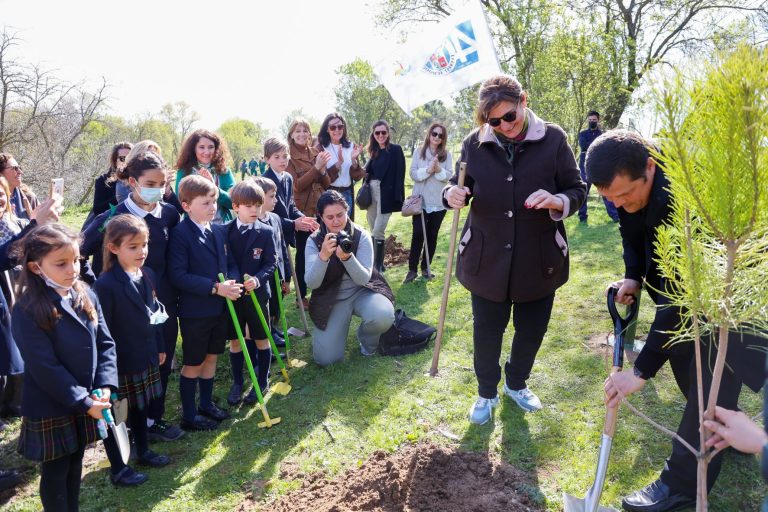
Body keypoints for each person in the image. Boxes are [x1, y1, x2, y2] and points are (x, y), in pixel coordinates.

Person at [591, 130, 766, 512]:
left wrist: (640, 371)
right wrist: (634, 276)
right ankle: (728, 433)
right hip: (689, 302)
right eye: (610, 198)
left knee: (709, 378)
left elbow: (680, 298)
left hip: (733, 299)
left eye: (624, 195)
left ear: (650, 167)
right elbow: (631, 233)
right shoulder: (627, 190)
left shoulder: (688, 199)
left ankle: (681, 485)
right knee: (685, 361)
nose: (619, 205)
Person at [443, 74, 586, 424]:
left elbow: (577, 189)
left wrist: (558, 200)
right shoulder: (473, 143)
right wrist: (451, 194)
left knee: (532, 329)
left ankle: (517, 383)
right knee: (486, 331)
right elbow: (457, 184)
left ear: (523, 100)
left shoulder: (554, 139)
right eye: (494, 121)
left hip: (538, 257)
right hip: (486, 257)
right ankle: (486, 392)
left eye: (509, 116)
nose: (504, 126)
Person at [80, 152, 185, 442]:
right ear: (132, 182)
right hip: (123, 307)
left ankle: (153, 419)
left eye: (162, 184)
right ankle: (122, 427)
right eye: (150, 183)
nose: (157, 189)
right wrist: (96, 285)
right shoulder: (112, 217)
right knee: (126, 369)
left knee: (161, 360)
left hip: (161, 304)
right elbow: (80, 250)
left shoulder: (169, 214)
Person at [11, 223, 117, 511]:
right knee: (57, 471)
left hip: (88, 399)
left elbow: (105, 343)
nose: (73, 270)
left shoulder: (86, 294)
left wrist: (105, 385)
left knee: (76, 462)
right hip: (54, 404)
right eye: (61, 264)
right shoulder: (27, 309)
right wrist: (84, 402)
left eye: (76, 260)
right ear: (35, 267)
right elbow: (45, 367)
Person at [93, 215, 171, 486]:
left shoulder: (147, 275)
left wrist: (159, 346)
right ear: (113, 248)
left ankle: (143, 450)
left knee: (141, 407)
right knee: (118, 414)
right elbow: (103, 332)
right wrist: (108, 370)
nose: (142, 251)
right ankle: (119, 467)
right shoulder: (105, 285)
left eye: (145, 244)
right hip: (121, 364)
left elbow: (154, 315)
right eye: (133, 246)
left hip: (145, 356)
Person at [168, 175, 241, 431]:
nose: (212, 207)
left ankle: (206, 404)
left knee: (212, 357)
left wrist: (232, 280)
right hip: (196, 311)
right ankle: (189, 415)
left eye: (214, 201)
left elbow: (229, 262)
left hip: (220, 308)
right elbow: (178, 275)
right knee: (194, 362)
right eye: (206, 203)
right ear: (186, 206)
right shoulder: (180, 235)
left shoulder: (218, 230)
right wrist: (215, 287)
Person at [305, 190, 395, 366]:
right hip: (331, 298)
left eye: (340, 215)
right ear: (321, 217)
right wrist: (323, 256)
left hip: (363, 291)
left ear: (347, 211)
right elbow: (311, 283)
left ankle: (367, 339)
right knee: (326, 360)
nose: (336, 221)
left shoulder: (361, 235)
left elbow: (363, 279)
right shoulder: (314, 241)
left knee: (382, 315)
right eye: (330, 217)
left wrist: (347, 258)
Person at [224, 181, 276, 405]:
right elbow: (226, 261)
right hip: (234, 294)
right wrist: (234, 281)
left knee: (261, 338)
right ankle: (238, 382)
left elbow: (271, 263)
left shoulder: (266, 232)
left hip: (258, 295)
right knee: (236, 340)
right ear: (235, 207)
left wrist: (257, 279)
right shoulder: (224, 231)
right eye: (249, 206)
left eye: (258, 205)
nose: (255, 210)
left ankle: (262, 381)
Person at [263, 136, 319, 339]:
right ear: (267, 159)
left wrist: (303, 218)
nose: (282, 160)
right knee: (273, 282)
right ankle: (268, 327)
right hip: (270, 237)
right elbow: (267, 214)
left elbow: (290, 207)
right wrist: (293, 224)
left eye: (285, 155)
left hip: (284, 236)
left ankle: (274, 324)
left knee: (283, 281)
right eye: (277, 157)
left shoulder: (287, 178)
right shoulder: (264, 181)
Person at [286, 118, 332, 308]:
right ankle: (301, 296)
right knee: (304, 254)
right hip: (302, 212)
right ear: (291, 135)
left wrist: (322, 170)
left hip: (320, 209)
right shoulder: (288, 157)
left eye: (305, 130)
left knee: (324, 249)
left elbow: (327, 183)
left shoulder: (316, 153)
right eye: (298, 131)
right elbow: (297, 186)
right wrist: (316, 168)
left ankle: (321, 290)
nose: (302, 134)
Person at [403, 123, 452, 284]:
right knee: (418, 234)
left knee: (432, 236)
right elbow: (413, 174)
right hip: (420, 202)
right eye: (434, 133)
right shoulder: (419, 152)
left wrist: (438, 170)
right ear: (429, 134)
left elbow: (449, 176)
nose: (437, 137)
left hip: (438, 203)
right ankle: (412, 270)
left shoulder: (447, 155)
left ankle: (426, 268)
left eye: (440, 135)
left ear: (443, 138)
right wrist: (428, 170)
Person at [253, 176, 291, 349]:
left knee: (276, 302)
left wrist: (286, 277)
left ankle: (273, 329)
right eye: (272, 196)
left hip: (278, 272)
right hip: (263, 275)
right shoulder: (253, 222)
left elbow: (282, 248)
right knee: (266, 304)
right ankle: (267, 334)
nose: (276, 200)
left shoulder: (275, 218)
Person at [363, 120, 406, 273]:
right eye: (377, 133)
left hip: (386, 194)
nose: (380, 135)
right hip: (372, 192)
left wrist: (398, 197)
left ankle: (378, 266)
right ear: (373, 134)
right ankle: (376, 264)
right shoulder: (373, 151)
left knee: (378, 230)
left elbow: (400, 174)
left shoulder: (396, 150)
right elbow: (366, 172)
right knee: (373, 228)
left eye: (383, 132)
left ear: (388, 133)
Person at [175, 129, 236, 224]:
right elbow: (180, 203)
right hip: (194, 227)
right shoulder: (184, 171)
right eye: (201, 147)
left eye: (211, 147)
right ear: (193, 149)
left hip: (222, 226)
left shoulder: (224, 171)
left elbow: (234, 203)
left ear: (216, 149)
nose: (206, 152)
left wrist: (214, 188)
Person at [316, 113, 364, 219]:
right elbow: (322, 178)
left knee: (346, 227)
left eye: (340, 126)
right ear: (327, 129)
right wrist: (338, 163)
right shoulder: (321, 148)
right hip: (329, 194)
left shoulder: (351, 146)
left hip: (347, 193)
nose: (337, 130)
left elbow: (357, 177)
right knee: (331, 226)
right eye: (333, 127)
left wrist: (354, 161)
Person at [577, 111, 618, 224]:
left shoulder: (602, 135)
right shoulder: (582, 134)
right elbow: (583, 146)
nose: (592, 122)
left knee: (605, 190)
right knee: (584, 192)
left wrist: (594, 147)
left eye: (594, 120)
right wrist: (597, 146)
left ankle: (615, 216)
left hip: (599, 166)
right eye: (590, 120)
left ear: (598, 120)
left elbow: (605, 148)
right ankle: (582, 217)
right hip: (584, 167)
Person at [87, 142, 132, 224]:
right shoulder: (103, 180)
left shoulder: (142, 180)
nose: (127, 162)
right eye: (123, 158)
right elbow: (98, 210)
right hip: (111, 225)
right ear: (115, 161)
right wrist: (119, 197)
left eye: (130, 158)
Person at [0, 153, 39, 220]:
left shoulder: (29, 197)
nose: (20, 172)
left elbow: (43, 224)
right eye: (14, 168)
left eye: (19, 168)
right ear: (1, 174)